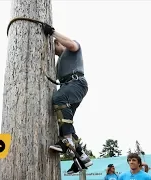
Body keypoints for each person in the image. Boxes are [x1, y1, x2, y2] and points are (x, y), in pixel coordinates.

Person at [41, 23, 93, 174]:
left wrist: (52, 32)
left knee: (58, 99)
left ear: (58, 43)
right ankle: (81, 158)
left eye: (54, 48)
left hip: (76, 83)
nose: (54, 52)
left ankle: (67, 141)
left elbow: (71, 44)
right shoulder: (61, 61)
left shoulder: (72, 50)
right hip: (70, 86)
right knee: (65, 120)